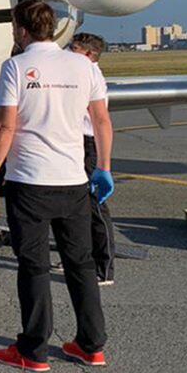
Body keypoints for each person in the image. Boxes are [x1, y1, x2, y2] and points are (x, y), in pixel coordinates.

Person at [0, 0, 115, 372]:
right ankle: (91, 345)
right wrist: (102, 167)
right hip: (74, 182)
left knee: (34, 267)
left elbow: (5, 127)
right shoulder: (83, 66)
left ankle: (34, 349)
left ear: (22, 30)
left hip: (30, 185)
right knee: (81, 264)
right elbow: (101, 120)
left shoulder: (16, 67)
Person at [70, 33, 116, 285]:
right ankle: (87, 258)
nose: (68, 51)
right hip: (79, 143)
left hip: (89, 144)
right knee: (79, 205)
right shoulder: (81, 73)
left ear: (89, 54)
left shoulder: (91, 76)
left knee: (95, 206)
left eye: (74, 48)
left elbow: (100, 120)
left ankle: (104, 266)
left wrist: (103, 164)